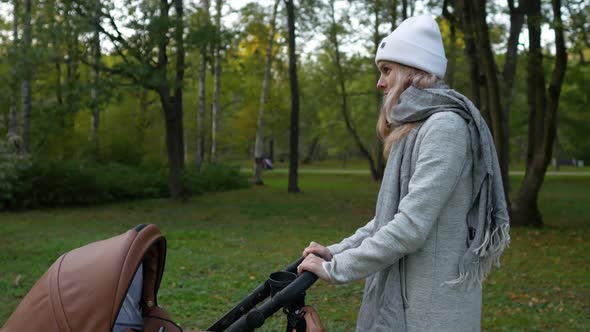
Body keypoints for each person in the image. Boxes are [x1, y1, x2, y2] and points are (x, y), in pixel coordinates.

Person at [297, 15, 510, 331]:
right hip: (412, 302)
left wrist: (338, 268)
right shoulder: (414, 128)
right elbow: (388, 220)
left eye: (386, 70)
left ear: (413, 70)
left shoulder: (445, 128)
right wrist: (333, 252)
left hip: (431, 311)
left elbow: (410, 226)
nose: (379, 82)